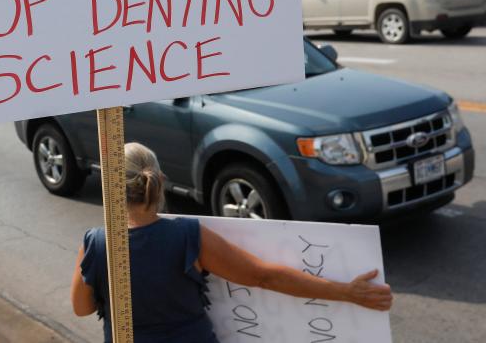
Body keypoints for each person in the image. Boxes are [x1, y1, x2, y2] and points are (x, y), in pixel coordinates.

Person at [70, 143, 393, 343]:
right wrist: (345, 292)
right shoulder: (186, 235)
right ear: (160, 181)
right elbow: (264, 276)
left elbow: (82, 308)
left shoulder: (96, 243)